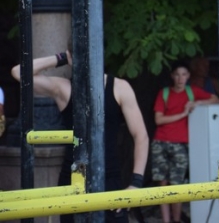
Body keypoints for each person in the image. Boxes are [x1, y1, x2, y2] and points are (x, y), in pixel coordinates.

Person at [12, 50, 149, 223]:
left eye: (91, 53)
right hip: (72, 179)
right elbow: (18, 73)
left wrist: (136, 183)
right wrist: (60, 57)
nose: (87, 60)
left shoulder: (120, 87)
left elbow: (141, 136)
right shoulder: (63, 87)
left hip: (109, 177)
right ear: (71, 57)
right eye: (80, 54)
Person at [151, 60, 219, 223]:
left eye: (183, 74)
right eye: (177, 74)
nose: (180, 78)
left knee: (177, 185)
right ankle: (166, 220)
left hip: (181, 143)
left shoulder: (192, 92)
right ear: (172, 76)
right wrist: (182, 114)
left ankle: (176, 219)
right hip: (160, 141)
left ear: (188, 76)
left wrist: (197, 103)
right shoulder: (164, 93)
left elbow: (216, 99)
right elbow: (158, 120)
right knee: (163, 183)